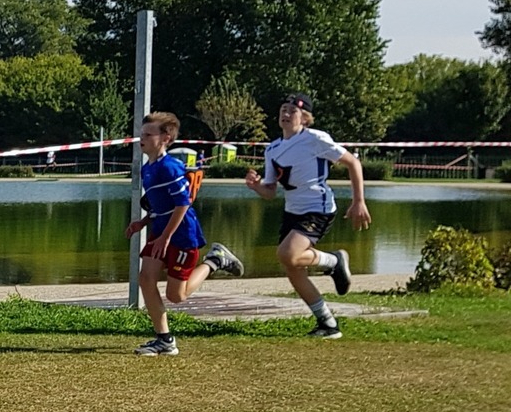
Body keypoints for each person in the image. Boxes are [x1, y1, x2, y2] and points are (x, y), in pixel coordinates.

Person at [245, 93, 371, 339]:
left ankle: (333, 261)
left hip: (318, 208)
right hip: (292, 211)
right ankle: (327, 323)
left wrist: (358, 201)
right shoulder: (272, 149)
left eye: (292, 110)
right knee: (291, 267)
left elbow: (353, 163)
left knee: (287, 254)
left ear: (304, 118)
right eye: (283, 108)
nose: (286, 113)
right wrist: (256, 186)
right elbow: (270, 192)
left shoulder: (315, 139)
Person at [126, 111, 244, 356]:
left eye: (148, 134)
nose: (141, 138)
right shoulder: (148, 168)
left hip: (182, 235)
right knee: (145, 278)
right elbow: (160, 205)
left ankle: (215, 260)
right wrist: (143, 222)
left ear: (165, 138)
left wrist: (167, 237)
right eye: (142, 133)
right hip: (160, 231)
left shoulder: (170, 167)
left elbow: (182, 204)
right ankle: (164, 339)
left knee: (176, 295)